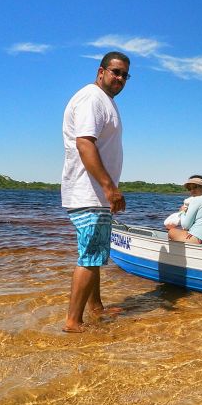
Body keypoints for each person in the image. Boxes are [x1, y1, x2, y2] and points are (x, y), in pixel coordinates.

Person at [60, 51, 130, 333]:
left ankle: (96, 308)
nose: (120, 78)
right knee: (90, 255)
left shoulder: (105, 101)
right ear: (101, 71)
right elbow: (85, 144)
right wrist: (109, 187)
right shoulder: (92, 98)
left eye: (125, 75)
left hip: (95, 194)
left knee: (96, 254)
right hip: (89, 192)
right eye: (116, 72)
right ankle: (73, 322)